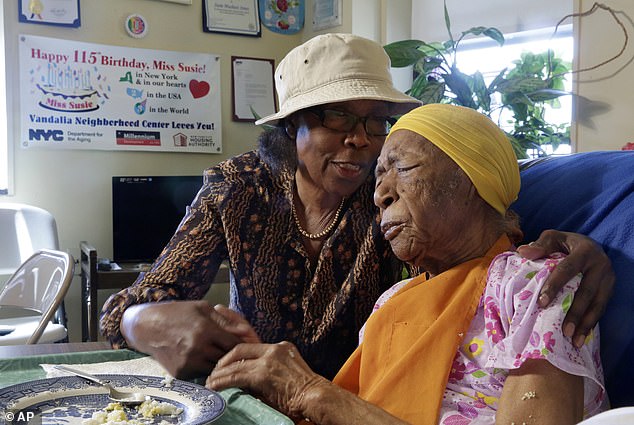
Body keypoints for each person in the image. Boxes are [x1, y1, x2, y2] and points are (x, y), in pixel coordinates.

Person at [100, 33, 614, 381]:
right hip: (251, 397)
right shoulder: (236, 189)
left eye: (376, 123)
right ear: (290, 127)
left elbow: (479, 234)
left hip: (360, 398)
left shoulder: (396, 200)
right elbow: (129, 307)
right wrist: (144, 321)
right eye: (336, 119)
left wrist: (575, 242)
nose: (360, 142)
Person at [206, 104, 607, 425]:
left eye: (402, 168)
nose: (380, 194)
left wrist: (311, 392)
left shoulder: (534, 286)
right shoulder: (394, 300)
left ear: (472, 179)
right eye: (379, 176)